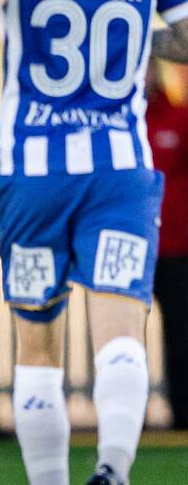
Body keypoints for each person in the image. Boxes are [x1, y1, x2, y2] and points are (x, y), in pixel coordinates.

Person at [0, 0, 188, 482]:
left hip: (35, 175)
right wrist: (137, 42)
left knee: (37, 347)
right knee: (120, 331)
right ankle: (113, 467)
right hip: (119, 172)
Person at [147, 64, 188, 431]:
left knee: (180, 332)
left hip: (175, 248)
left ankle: (182, 413)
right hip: (134, 247)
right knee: (122, 332)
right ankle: (126, 415)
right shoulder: (119, 125)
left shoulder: (179, 118)